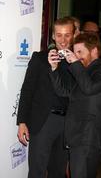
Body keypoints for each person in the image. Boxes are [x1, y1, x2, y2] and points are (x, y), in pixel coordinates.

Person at [48, 33, 101, 178]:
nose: (76, 56)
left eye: (80, 52)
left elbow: (89, 88)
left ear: (94, 51)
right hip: (76, 137)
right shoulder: (81, 70)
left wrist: (75, 63)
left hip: (87, 137)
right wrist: (54, 69)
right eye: (75, 52)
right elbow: (64, 91)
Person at [17, 17, 76, 178]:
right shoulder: (39, 58)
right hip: (43, 121)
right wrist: (22, 122)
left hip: (66, 124)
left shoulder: (76, 62)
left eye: (67, 35)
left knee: (58, 172)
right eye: (59, 35)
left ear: (73, 35)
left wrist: (76, 64)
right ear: (53, 36)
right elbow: (27, 90)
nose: (63, 40)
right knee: (37, 171)